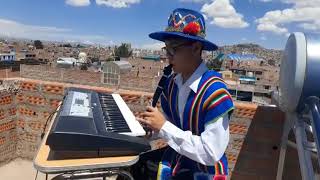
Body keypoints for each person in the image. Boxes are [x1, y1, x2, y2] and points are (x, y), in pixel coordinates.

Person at [135, 8, 234, 180]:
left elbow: (211, 153)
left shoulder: (215, 92)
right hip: (178, 159)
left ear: (196, 48)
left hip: (204, 172)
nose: (168, 57)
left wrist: (163, 126)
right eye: (166, 50)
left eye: (173, 50)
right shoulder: (172, 84)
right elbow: (174, 126)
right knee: (134, 165)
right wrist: (152, 127)